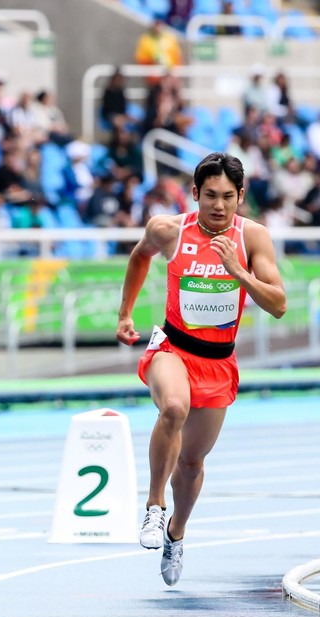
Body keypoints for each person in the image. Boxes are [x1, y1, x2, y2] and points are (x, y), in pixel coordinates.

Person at [116, 152, 286, 586]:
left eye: (228, 197)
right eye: (210, 195)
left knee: (191, 463)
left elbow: (279, 305)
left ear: (241, 196)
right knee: (173, 406)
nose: (219, 205)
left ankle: (176, 533)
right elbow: (139, 258)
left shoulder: (254, 238)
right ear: (194, 194)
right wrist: (125, 313)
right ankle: (154, 509)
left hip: (218, 362)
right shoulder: (168, 230)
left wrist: (238, 272)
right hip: (172, 346)